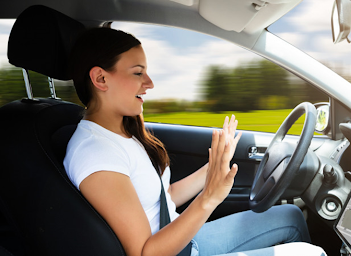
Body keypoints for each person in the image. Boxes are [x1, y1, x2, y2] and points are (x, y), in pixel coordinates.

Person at [64, 27, 326, 256]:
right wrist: (209, 197)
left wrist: (212, 168)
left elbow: (161, 199)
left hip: (186, 241)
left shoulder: (121, 132)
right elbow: (145, 252)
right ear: (100, 79)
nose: (150, 83)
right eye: (137, 73)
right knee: (310, 253)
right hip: (176, 250)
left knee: (290, 216)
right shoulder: (95, 153)